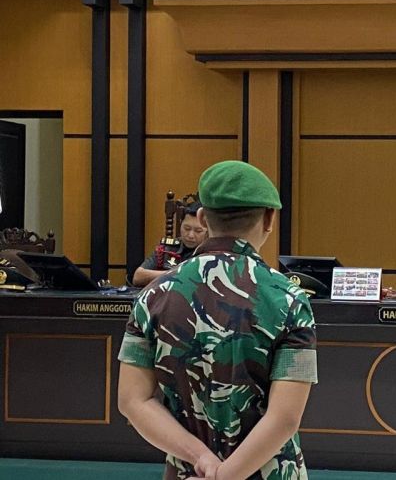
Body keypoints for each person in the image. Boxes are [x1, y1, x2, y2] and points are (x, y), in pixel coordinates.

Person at [117, 160, 317, 480]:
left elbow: (133, 400)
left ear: (202, 218)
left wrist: (201, 458)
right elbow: (284, 418)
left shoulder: (154, 295)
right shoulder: (289, 299)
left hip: (188, 472)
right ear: (269, 219)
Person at [131, 200, 208, 287]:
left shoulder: (212, 252)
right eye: (186, 228)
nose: (190, 235)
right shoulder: (168, 249)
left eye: (198, 231)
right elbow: (138, 277)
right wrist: (179, 274)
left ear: (208, 230)